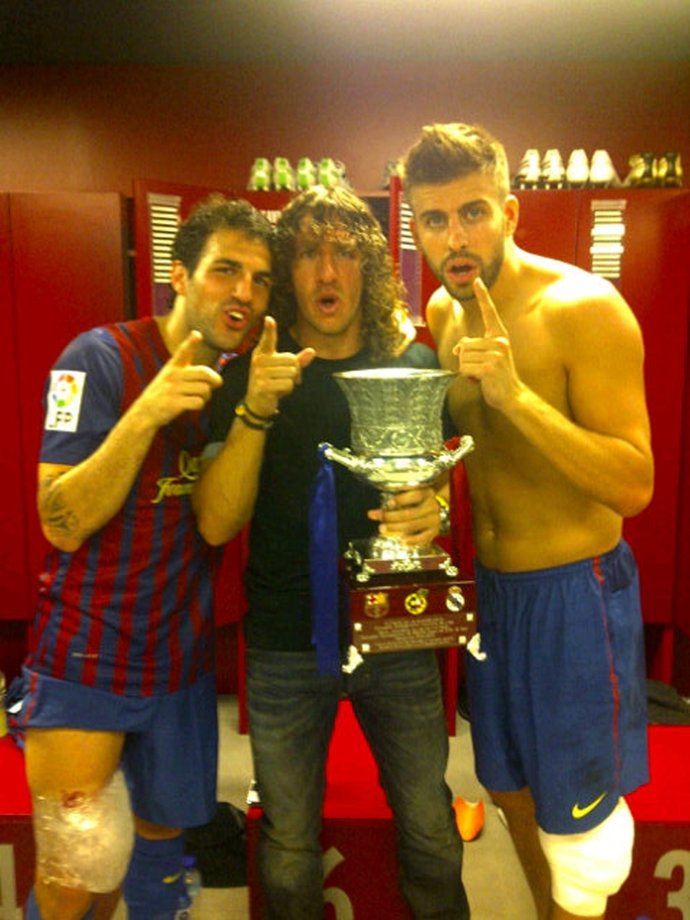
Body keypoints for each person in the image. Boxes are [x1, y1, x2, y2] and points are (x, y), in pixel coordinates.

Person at [193, 185, 471, 919]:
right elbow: (217, 522)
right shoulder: (253, 372)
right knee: (287, 848)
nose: (325, 273)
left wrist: (433, 508)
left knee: (433, 830)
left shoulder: (414, 364)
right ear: (288, 270)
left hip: (397, 634)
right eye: (308, 253)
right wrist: (255, 408)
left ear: (368, 267)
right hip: (286, 640)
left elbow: (439, 481)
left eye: (343, 252)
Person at [399, 122, 654, 920]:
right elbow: (467, 452)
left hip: (575, 595)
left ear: (511, 211)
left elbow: (634, 483)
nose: (455, 236)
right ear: (414, 226)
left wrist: (517, 397)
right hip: (495, 596)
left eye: (473, 212)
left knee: (581, 845)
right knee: (506, 791)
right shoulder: (441, 310)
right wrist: (427, 504)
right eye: (435, 219)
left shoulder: (583, 307)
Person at [17, 194, 274, 920]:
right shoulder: (94, 359)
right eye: (227, 271)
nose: (244, 293)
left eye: (259, 280)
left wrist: (253, 409)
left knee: (159, 873)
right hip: (85, 661)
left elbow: (218, 524)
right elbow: (60, 520)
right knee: (76, 879)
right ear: (180, 275)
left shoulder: (232, 383)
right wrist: (148, 412)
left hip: (178, 668)